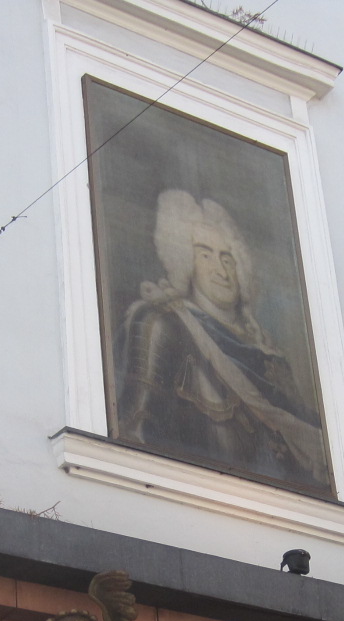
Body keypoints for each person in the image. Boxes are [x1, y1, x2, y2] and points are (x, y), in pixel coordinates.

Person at [114, 191, 329, 491]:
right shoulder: (160, 324)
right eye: (205, 255)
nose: (221, 271)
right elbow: (135, 433)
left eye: (227, 258)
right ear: (185, 262)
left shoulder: (270, 357)